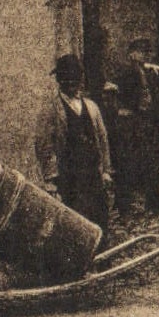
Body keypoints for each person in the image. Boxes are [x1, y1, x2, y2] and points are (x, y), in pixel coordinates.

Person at [34, 53, 113, 237]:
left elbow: (102, 140)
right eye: (66, 78)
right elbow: (45, 146)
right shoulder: (52, 110)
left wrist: (106, 171)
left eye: (75, 78)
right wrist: (51, 180)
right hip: (70, 178)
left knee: (99, 218)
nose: (71, 83)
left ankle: (101, 259)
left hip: (93, 174)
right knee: (74, 224)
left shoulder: (91, 107)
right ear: (59, 80)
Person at [110, 37, 159, 218]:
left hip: (145, 123)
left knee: (151, 163)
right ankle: (124, 205)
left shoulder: (147, 72)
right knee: (127, 164)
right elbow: (123, 98)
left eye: (147, 52)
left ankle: (153, 201)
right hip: (131, 124)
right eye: (141, 52)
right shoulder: (126, 72)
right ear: (132, 54)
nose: (145, 55)